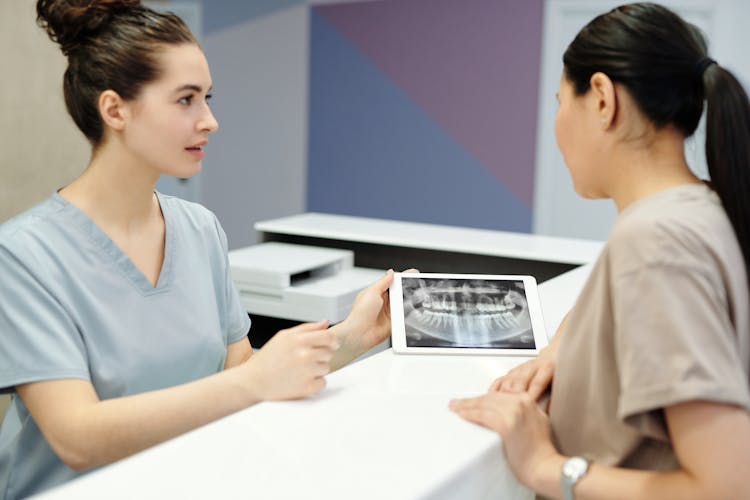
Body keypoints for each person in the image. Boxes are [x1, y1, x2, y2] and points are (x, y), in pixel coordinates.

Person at [0, 1, 393, 498]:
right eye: (186, 100)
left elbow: (245, 374)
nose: (210, 121)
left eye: (207, 98)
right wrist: (253, 384)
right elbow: (78, 437)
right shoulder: (23, 255)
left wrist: (354, 336)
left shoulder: (199, 228)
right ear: (115, 109)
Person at [450, 3, 750, 499]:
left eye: (560, 101)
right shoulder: (703, 206)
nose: (558, 123)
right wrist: (557, 350)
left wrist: (546, 466)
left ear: (603, 99)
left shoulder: (655, 241)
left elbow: (725, 486)